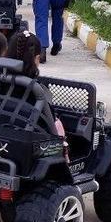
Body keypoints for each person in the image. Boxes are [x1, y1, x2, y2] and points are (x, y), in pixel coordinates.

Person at [6, 30, 69, 161]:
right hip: (32, 147)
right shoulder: (37, 91)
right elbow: (50, 126)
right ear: (36, 58)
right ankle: (66, 160)